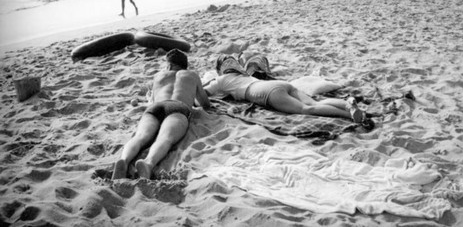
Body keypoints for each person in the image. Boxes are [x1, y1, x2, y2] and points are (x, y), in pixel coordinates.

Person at [112, 49, 210, 180]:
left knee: (140, 136)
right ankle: (148, 163)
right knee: (165, 138)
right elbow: (205, 103)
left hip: (155, 108)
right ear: (184, 65)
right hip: (178, 107)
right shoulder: (191, 75)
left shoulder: (158, 76)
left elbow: (152, 100)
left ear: (169, 65)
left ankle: (124, 160)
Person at [204, 55, 366, 122]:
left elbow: (204, 93)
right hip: (281, 84)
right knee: (316, 102)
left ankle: (349, 115)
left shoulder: (221, 80)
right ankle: (347, 104)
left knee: (306, 109)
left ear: (221, 69)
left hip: (267, 93)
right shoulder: (245, 74)